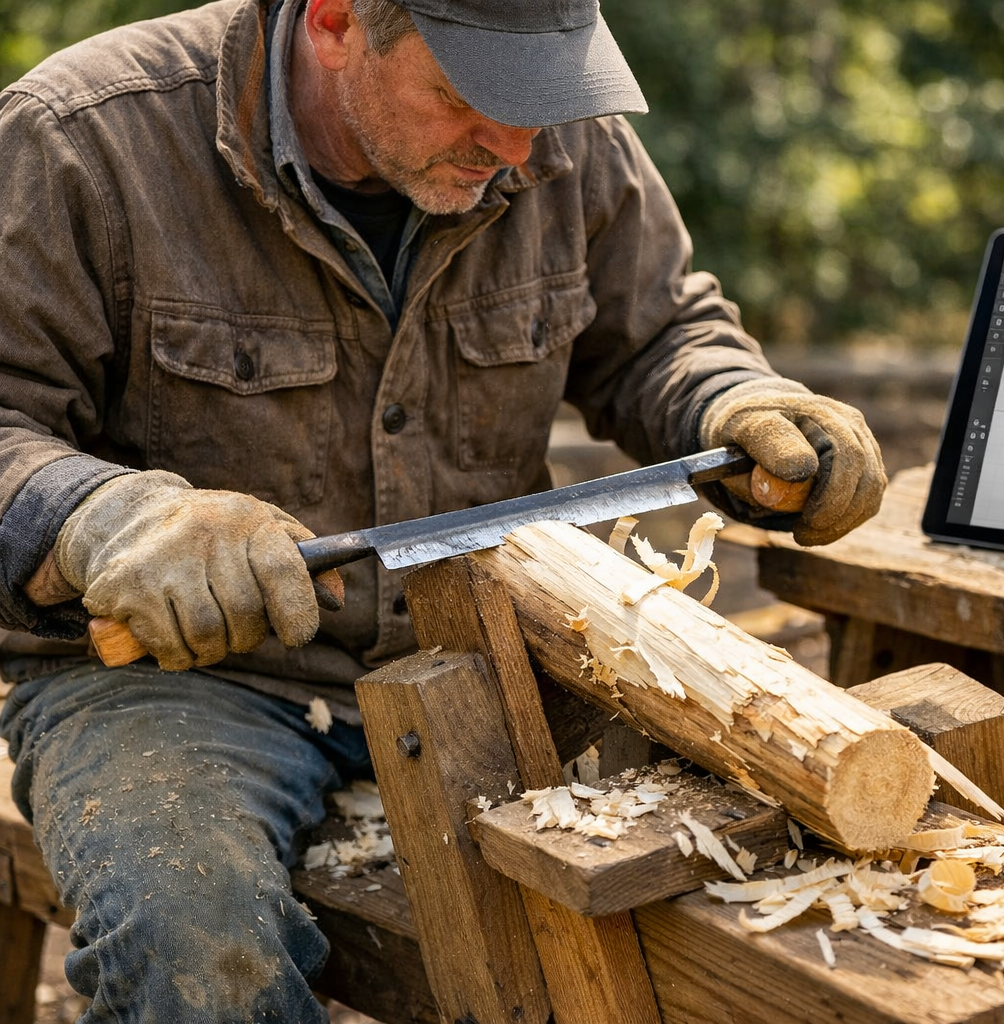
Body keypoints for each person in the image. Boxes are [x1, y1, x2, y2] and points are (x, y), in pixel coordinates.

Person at [0, 0, 885, 1018]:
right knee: (193, 948)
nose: (514, 149)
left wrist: (738, 402)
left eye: (538, 104)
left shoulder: (554, 132)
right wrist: (105, 518)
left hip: (494, 647)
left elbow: (658, 333)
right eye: (468, 96)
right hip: (188, 680)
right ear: (337, 18)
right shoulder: (81, 138)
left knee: (741, 879)